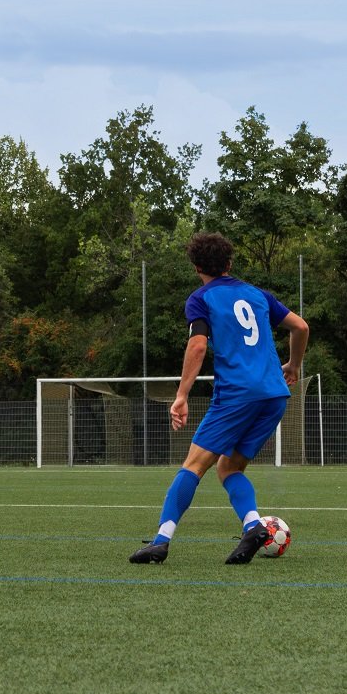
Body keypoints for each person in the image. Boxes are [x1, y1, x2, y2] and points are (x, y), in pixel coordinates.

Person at [129, 232, 309, 564]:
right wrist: (294, 365)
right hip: (274, 395)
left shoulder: (200, 298)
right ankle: (254, 526)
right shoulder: (258, 295)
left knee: (193, 465)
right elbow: (300, 327)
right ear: (229, 263)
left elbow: (197, 345)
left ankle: (160, 541)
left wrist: (181, 395)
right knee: (228, 468)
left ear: (197, 266)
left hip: (237, 394)